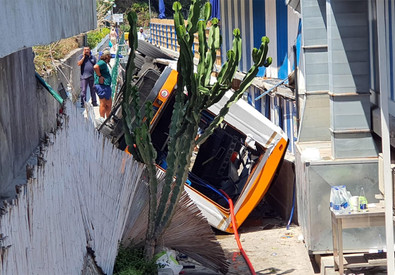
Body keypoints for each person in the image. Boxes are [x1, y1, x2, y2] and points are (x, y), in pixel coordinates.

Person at [93, 50, 112, 119]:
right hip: (102, 86)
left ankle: (107, 118)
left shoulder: (104, 64)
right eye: (110, 57)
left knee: (108, 104)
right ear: (107, 56)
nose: (110, 58)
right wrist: (100, 76)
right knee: (104, 103)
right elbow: (95, 67)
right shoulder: (102, 63)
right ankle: (103, 118)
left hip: (105, 86)